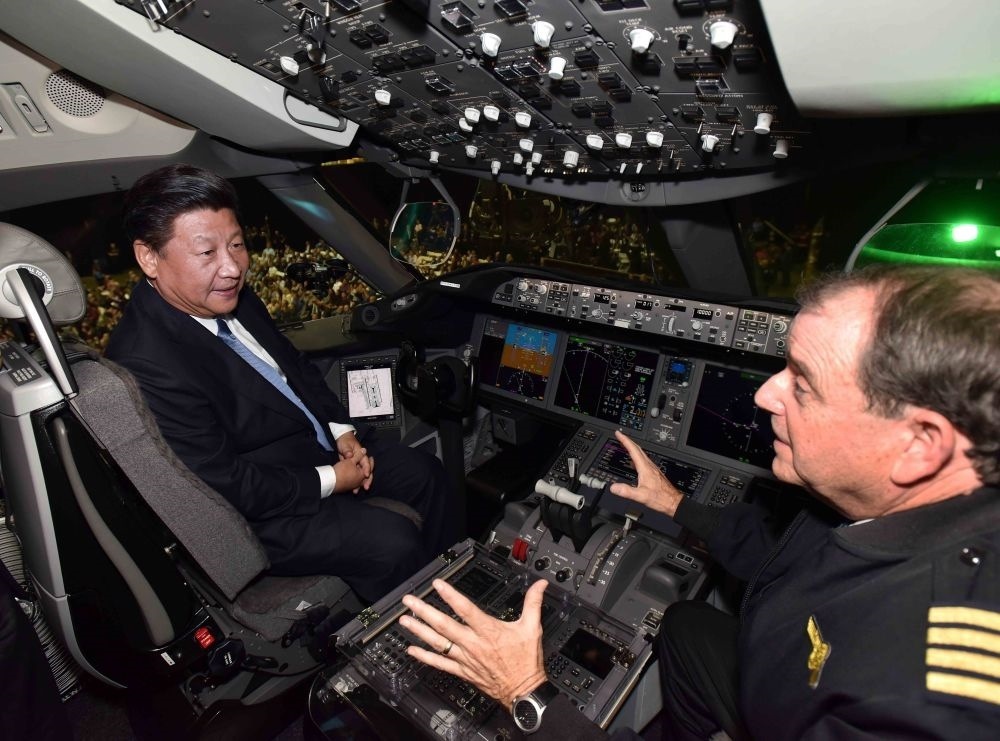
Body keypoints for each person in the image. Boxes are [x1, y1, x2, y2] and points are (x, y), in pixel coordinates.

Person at [400, 265, 1000, 738]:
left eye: (803, 383)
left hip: (793, 701)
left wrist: (528, 694)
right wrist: (677, 504)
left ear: (919, 445)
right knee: (683, 627)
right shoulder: (892, 500)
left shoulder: (923, 701)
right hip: (775, 660)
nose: (765, 394)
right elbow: (787, 558)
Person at [106, 164, 460, 603]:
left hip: (316, 448)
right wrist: (332, 479)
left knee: (427, 474)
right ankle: (423, 627)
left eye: (237, 245)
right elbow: (225, 483)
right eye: (206, 252)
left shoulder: (228, 296)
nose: (232, 268)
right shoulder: (145, 361)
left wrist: (342, 431)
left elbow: (295, 368)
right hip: (259, 509)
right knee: (392, 541)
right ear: (148, 257)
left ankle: (457, 589)